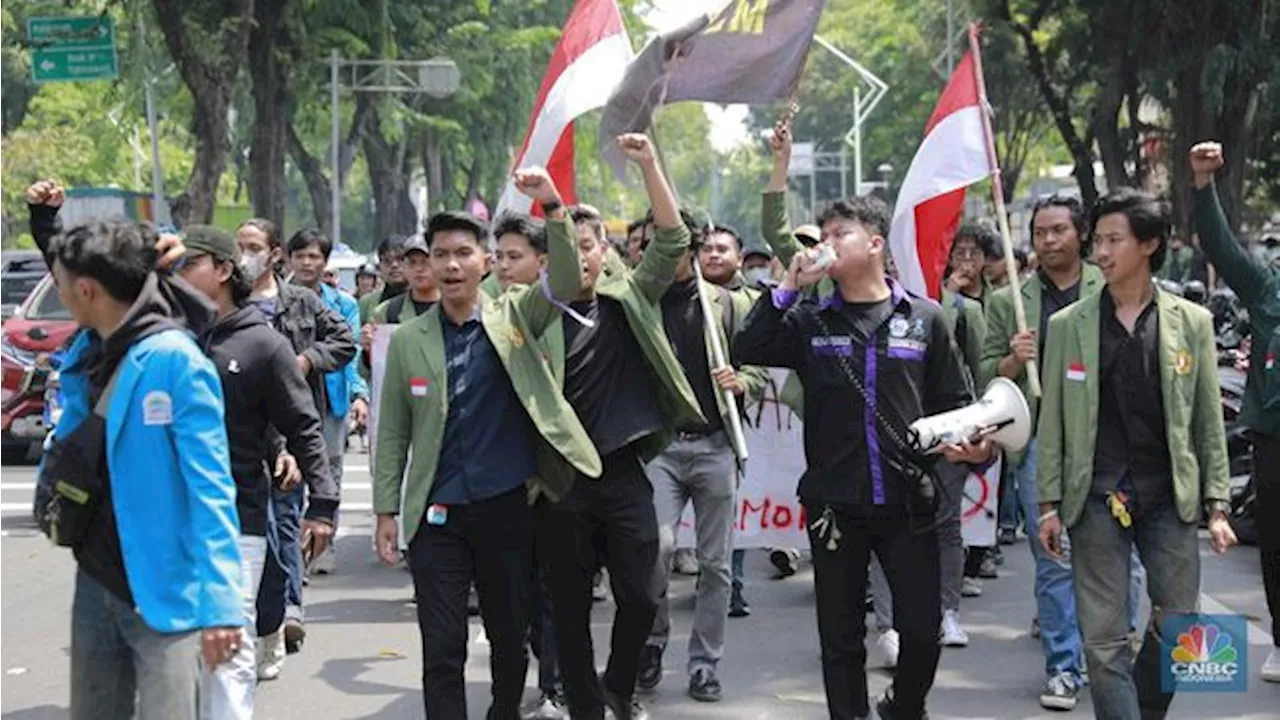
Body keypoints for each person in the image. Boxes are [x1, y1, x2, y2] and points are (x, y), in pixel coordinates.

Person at [734, 188, 991, 720]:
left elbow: (956, 405)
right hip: (835, 507)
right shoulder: (810, 321)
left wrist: (975, 449)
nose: (824, 246)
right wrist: (787, 287)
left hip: (910, 503)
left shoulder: (925, 319)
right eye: (821, 237)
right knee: (841, 640)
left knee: (922, 632)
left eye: (837, 235)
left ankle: (903, 704)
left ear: (874, 244)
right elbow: (749, 347)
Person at [373, 184, 598, 719]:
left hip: (506, 508)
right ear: (425, 264)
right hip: (437, 516)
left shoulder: (516, 315)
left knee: (507, 637)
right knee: (442, 646)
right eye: (440, 255)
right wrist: (386, 509)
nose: (451, 266)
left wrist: (552, 208)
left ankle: (503, 710)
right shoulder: (407, 339)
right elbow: (392, 432)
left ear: (486, 263)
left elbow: (567, 279)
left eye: (463, 254)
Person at [32, 212, 243, 718]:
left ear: (85, 290)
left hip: (166, 592)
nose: (55, 288)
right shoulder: (88, 355)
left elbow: (211, 491)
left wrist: (221, 608)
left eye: (58, 279)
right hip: (97, 581)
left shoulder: (177, 362)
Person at [1037, 187, 1236, 719]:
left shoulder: (1191, 322)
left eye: (1113, 240)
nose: (1100, 252)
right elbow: (1052, 419)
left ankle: (1142, 710)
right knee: (1102, 641)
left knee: (1183, 626)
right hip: (1095, 494)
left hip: (1168, 493)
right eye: (1097, 240)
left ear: (1148, 244)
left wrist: (1218, 503)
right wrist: (1048, 503)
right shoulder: (1067, 326)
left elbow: (1206, 421)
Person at [526, 134, 699, 720]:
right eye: (566, 248)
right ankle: (585, 706)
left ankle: (617, 685)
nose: (580, 258)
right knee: (568, 608)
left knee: (644, 595)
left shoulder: (632, 298)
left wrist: (650, 162)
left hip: (624, 473)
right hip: (561, 481)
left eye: (588, 246)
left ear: (606, 251)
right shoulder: (532, 315)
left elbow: (674, 240)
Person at [176, 225, 339, 720]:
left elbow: (302, 425)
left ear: (223, 271)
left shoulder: (264, 345)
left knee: (228, 637)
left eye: (190, 263)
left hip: (239, 521)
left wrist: (324, 507)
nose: (177, 274)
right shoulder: (174, 341)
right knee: (179, 645)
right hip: (172, 520)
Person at [637, 212, 765, 703]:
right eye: (650, 244)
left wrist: (743, 382)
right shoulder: (639, 302)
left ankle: (704, 663)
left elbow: (755, 370)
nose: (657, 254)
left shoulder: (727, 305)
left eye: (667, 244)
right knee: (657, 550)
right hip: (662, 450)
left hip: (714, 448)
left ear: (688, 246)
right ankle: (651, 641)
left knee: (715, 566)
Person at [236, 218, 356, 679]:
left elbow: (342, 341)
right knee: (253, 528)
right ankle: (257, 619)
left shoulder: (301, 302)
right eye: (239, 246)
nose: (245, 254)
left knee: (285, 519)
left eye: (253, 246)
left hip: (293, 424)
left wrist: (304, 360)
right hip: (247, 434)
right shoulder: (231, 305)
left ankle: (287, 611)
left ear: (274, 253)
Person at [1189, 141, 1280, 682]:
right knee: (1274, 544)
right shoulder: (1268, 288)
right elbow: (1222, 248)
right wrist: (1204, 185)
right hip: (1273, 438)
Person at [287, 228, 369, 576]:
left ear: (325, 262)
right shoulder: (273, 298)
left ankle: (324, 543)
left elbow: (349, 353)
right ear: (288, 258)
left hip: (329, 401)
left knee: (328, 472)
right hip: (283, 402)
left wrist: (358, 394)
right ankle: (291, 550)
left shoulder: (343, 304)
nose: (307, 262)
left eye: (314, 256)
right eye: (301, 255)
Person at [358, 235, 410, 326]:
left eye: (400, 259)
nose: (394, 265)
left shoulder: (423, 299)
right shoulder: (366, 303)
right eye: (387, 260)